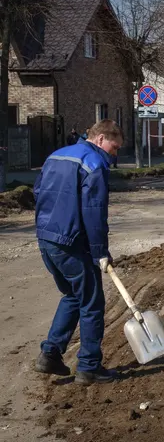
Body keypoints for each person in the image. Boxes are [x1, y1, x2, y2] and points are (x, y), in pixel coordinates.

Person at [32, 119, 123, 385]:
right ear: (101, 139)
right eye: (114, 147)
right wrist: (100, 252)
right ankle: (89, 367)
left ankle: (50, 354)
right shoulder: (94, 164)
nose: (115, 154)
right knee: (92, 303)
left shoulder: (56, 155)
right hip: (70, 243)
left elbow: (38, 193)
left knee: (73, 295)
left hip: (47, 238)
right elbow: (94, 213)